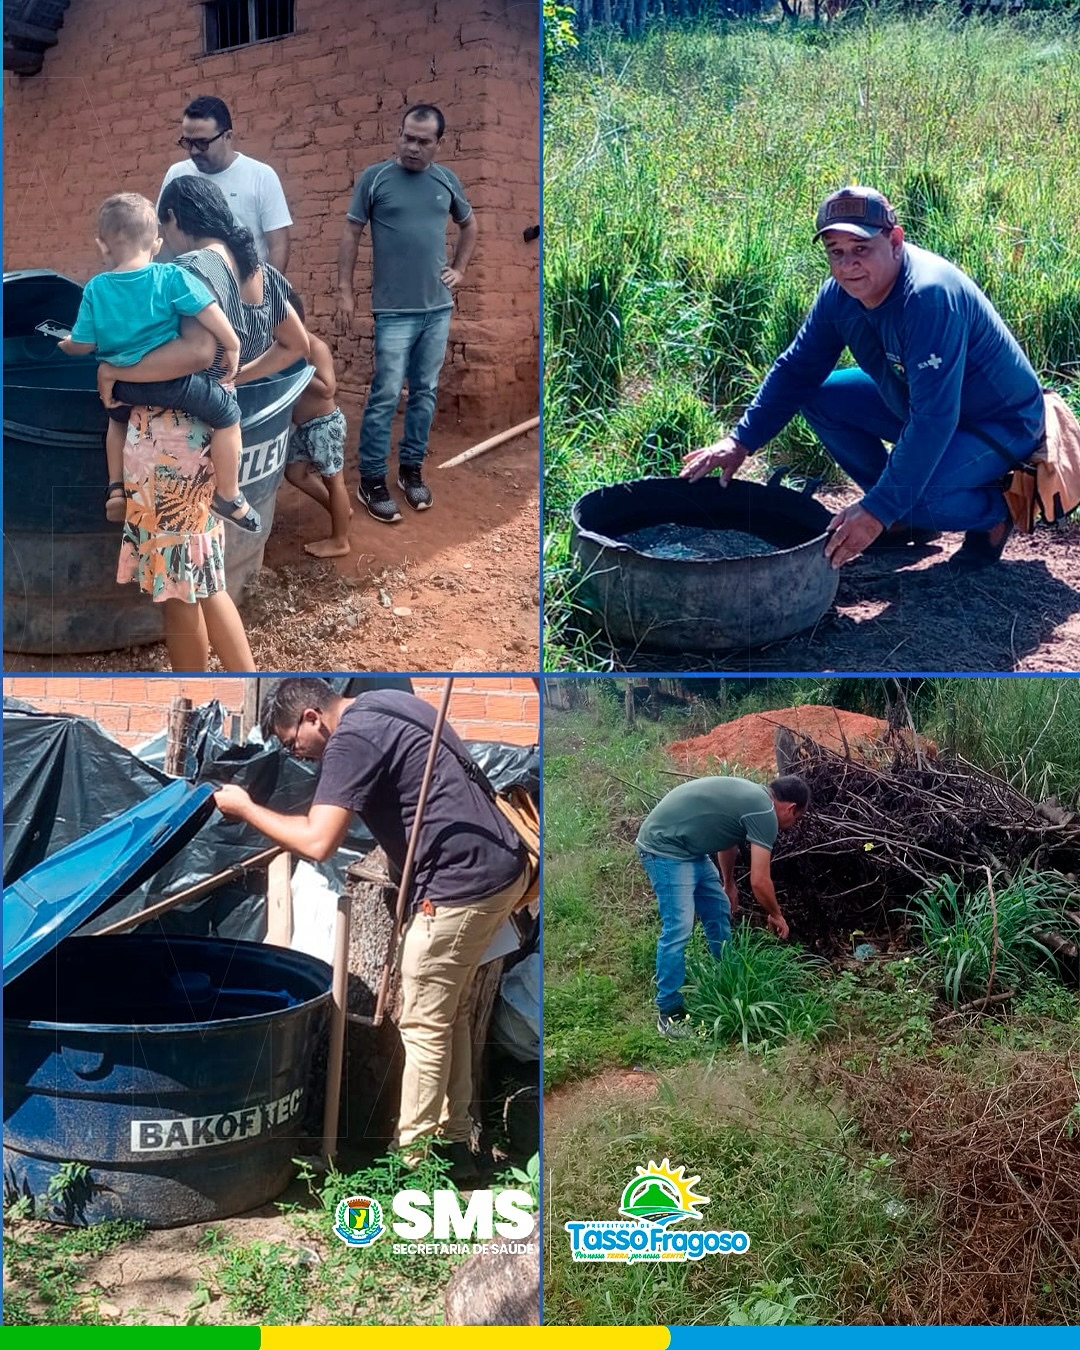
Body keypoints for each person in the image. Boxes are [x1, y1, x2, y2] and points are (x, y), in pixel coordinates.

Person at [212, 678, 531, 1179]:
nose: (302, 756)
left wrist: (246, 808)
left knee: (423, 1022)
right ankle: (453, 1145)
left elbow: (318, 842)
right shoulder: (390, 703)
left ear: (313, 717)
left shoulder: (350, 739)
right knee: (451, 1011)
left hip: (460, 884)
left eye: (295, 743)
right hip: (502, 867)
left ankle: (415, 1164)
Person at [681, 186, 1045, 570]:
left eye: (861, 248)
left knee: (917, 494)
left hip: (998, 422)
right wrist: (740, 441)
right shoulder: (840, 296)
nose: (847, 265)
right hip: (920, 401)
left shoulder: (928, 297)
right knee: (820, 397)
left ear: (895, 240)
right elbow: (797, 370)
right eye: (835, 252)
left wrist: (877, 509)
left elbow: (935, 420)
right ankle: (903, 517)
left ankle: (995, 513)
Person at [94, 176, 309, 672]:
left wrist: (115, 370)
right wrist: (234, 379)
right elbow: (296, 345)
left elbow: (194, 352)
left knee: (186, 588)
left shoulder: (191, 268)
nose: (164, 242)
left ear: (175, 220)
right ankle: (233, 683)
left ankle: (208, 690)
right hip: (213, 434)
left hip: (171, 440)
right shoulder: (258, 274)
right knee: (199, 576)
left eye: (164, 229)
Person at [59, 193, 258, 534]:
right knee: (228, 416)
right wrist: (233, 342)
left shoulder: (95, 289)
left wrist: (65, 344)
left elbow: (83, 344)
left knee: (115, 422)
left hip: (121, 387)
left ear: (103, 247)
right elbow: (207, 309)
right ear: (156, 243)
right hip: (171, 384)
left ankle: (116, 488)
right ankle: (230, 495)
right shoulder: (168, 277)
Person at [337, 104, 478, 523]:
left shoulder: (445, 180)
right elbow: (351, 232)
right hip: (394, 311)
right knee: (384, 393)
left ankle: (411, 471)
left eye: (423, 141)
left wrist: (460, 270)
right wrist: (344, 289)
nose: (413, 147)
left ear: (439, 143)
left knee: (425, 391)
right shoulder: (376, 178)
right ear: (398, 135)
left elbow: (469, 225)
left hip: (437, 308)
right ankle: (372, 479)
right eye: (407, 137)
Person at [635, 774, 810, 1039]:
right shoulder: (765, 812)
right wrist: (776, 915)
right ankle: (668, 1013)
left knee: (718, 909)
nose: (792, 825)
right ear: (790, 808)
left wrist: (728, 883)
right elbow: (760, 880)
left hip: (689, 849)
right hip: (665, 848)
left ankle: (725, 979)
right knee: (679, 927)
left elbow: (727, 838)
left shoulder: (754, 800)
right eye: (796, 818)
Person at [158, 95, 292, 272]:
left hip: (247, 290)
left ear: (228, 137)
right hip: (189, 292)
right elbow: (162, 235)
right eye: (187, 142)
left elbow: (278, 245)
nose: (194, 151)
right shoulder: (177, 174)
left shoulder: (261, 176)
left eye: (202, 143)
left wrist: (270, 294)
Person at [282, 288, 353, 558]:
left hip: (325, 425)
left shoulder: (315, 347)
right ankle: (339, 511)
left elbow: (327, 389)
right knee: (294, 473)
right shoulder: (283, 349)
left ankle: (340, 540)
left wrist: (299, 369)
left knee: (334, 480)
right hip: (305, 428)